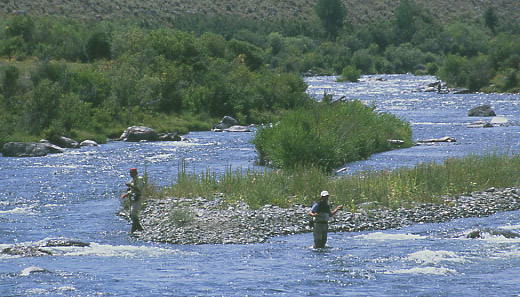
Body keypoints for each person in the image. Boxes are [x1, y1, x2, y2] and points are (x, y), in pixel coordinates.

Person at [121, 167, 144, 233]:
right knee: (131, 214)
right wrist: (125, 195)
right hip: (133, 198)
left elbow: (138, 189)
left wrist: (130, 185)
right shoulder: (132, 180)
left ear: (135, 173)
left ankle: (139, 228)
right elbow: (132, 191)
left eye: (131, 173)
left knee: (134, 213)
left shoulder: (139, 179)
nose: (130, 174)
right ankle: (134, 229)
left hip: (138, 198)